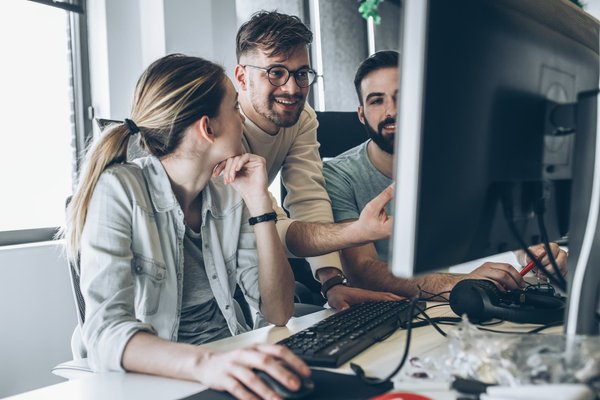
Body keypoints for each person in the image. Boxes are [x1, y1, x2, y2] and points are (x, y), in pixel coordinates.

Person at [62, 54, 310, 400]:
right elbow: (105, 332)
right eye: (235, 110)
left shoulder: (229, 192)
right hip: (152, 379)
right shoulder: (118, 191)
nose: (242, 120)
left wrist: (260, 205)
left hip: (223, 362)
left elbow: (278, 311)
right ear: (208, 128)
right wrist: (207, 363)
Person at [323, 50, 568, 298]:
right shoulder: (339, 174)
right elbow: (363, 270)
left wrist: (533, 252)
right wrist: (458, 282)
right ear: (361, 113)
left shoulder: (455, 161)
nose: (392, 111)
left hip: (445, 306)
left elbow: (504, 227)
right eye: (377, 100)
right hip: (381, 312)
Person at [234, 10, 399, 310]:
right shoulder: (224, 128)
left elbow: (308, 199)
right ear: (243, 77)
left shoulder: (301, 117)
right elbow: (268, 224)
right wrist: (355, 232)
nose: (292, 88)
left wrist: (332, 282)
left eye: (301, 73)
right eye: (276, 72)